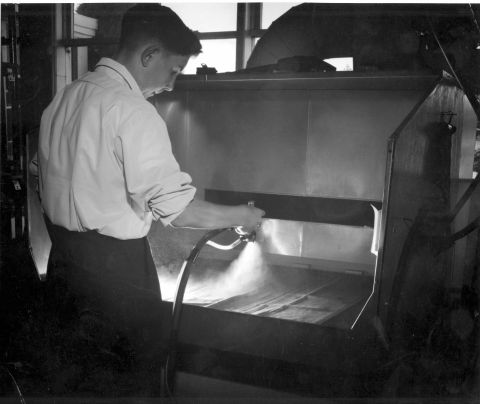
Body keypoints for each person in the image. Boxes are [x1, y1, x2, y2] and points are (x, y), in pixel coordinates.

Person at [36, 3, 265, 396]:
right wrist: (243, 214)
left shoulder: (64, 99)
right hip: (116, 283)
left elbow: (43, 175)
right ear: (148, 55)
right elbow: (180, 210)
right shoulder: (134, 112)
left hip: (63, 271)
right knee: (128, 386)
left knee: (75, 385)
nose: (173, 84)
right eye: (173, 70)